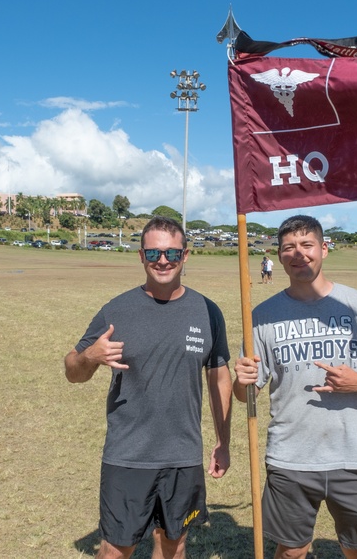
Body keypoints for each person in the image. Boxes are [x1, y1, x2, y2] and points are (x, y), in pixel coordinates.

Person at [234, 215, 357, 559]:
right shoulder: (261, 316)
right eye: (289, 247)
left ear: (324, 249)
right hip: (290, 457)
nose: (298, 254)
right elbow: (247, 395)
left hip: (354, 454)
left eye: (307, 245)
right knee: (291, 551)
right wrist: (242, 382)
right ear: (280, 255)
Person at [64, 216, 233, 559]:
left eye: (172, 253)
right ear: (141, 256)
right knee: (116, 548)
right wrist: (91, 357)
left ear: (185, 256)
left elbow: (218, 376)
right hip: (129, 454)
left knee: (174, 544)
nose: (163, 260)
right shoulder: (117, 310)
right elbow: (72, 372)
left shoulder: (207, 311)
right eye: (154, 253)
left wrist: (223, 441)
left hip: (182, 455)